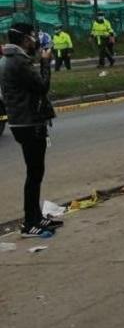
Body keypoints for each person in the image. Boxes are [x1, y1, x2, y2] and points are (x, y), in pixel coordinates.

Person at [1, 23, 60, 238]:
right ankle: (30, 222)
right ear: (25, 39)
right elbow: (42, 87)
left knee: (36, 171)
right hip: (28, 123)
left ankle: (36, 216)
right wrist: (45, 63)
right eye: (33, 37)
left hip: (23, 121)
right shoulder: (18, 62)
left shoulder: (12, 59)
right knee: (34, 173)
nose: (36, 40)